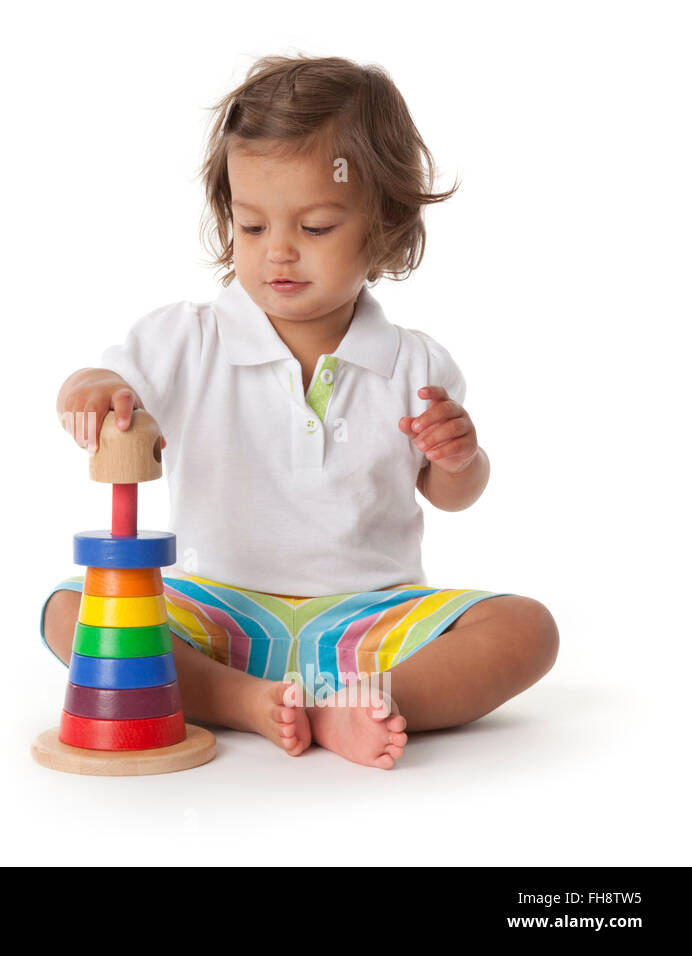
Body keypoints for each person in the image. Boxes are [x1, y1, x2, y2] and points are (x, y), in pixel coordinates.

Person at [42, 55, 558, 770]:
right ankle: (243, 702)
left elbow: (452, 496)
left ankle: (367, 702)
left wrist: (460, 460)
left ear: (383, 227)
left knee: (525, 629)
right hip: (216, 610)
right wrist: (93, 392)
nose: (277, 252)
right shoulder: (190, 338)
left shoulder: (416, 363)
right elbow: (100, 378)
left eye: (315, 227)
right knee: (72, 611)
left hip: (364, 619)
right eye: (251, 226)